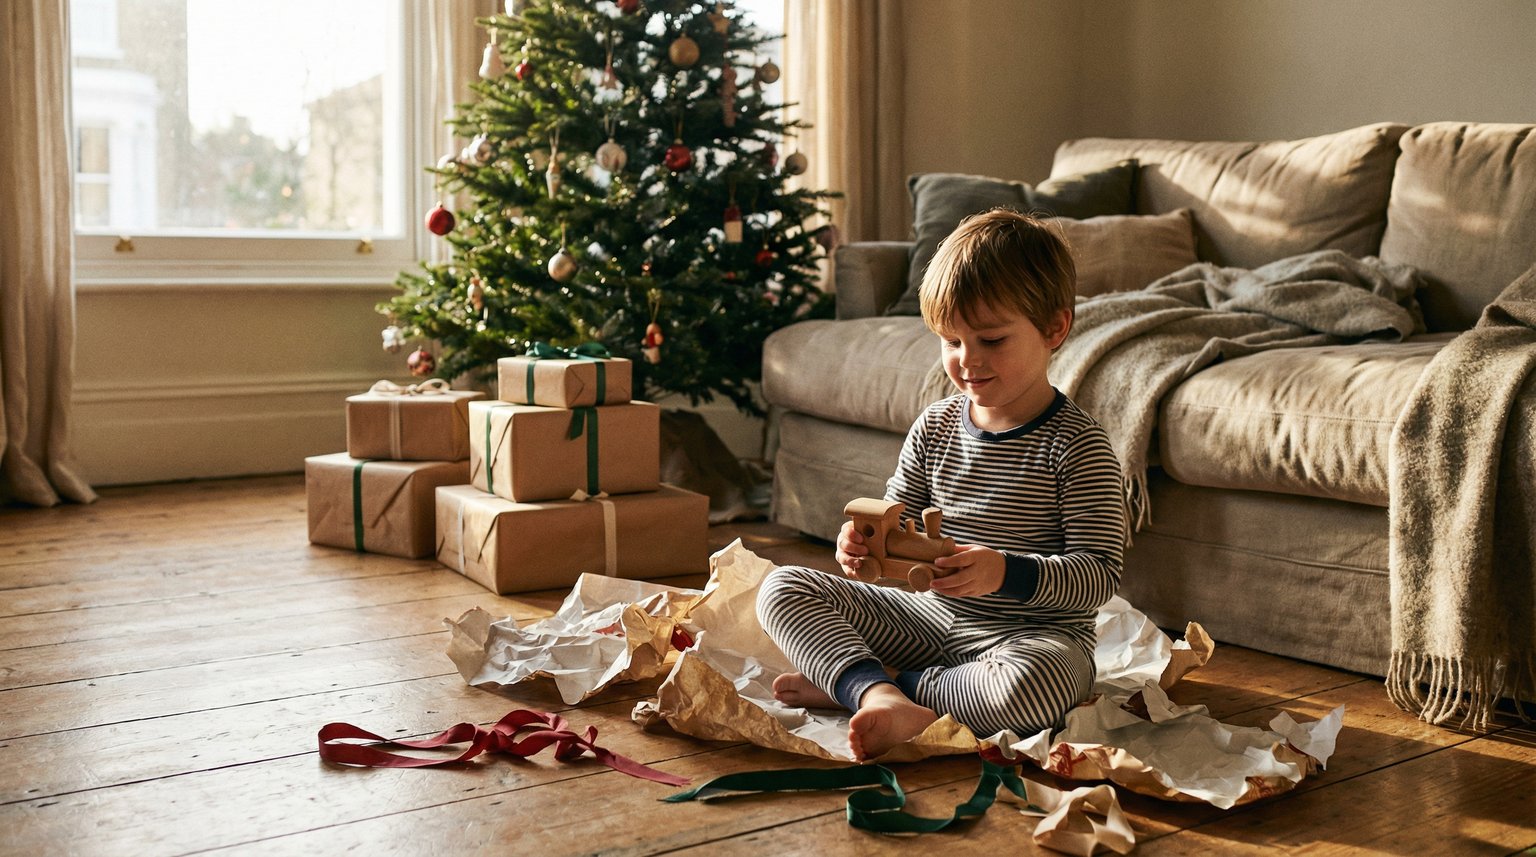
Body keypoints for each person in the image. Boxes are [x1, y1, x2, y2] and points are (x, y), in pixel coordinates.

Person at [756, 208, 1127, 761]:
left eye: (991, 340)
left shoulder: (1078, 445)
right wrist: (864, 552)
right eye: (950, 341)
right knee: (782, 587)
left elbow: (1098, 576)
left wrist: (1005, 571)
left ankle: (874, 686)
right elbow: (895, 522)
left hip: (1028, 637)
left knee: (1044, 684)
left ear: (1055, 328)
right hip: (931, 618)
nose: (967, 360)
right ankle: (873, 690)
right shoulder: (935, 427)